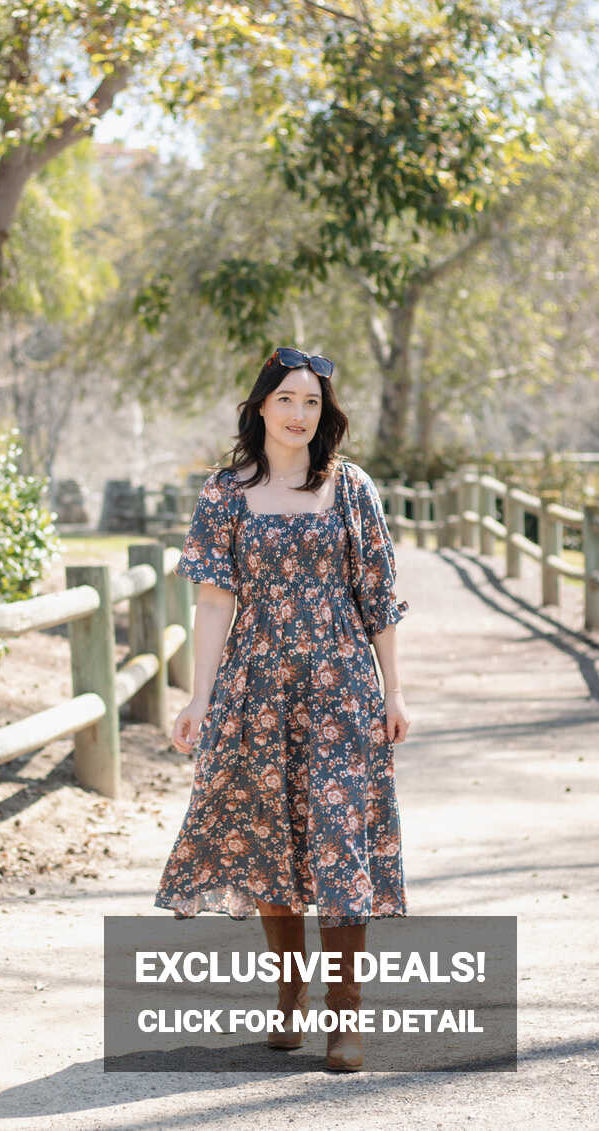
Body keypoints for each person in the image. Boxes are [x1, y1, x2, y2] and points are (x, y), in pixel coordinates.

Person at [154, 346, 410, 1071]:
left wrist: (395, 689)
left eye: (312, 403)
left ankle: (347, 1015)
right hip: (256, 685)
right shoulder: (225, 492)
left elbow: (378, 596)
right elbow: (212, 601)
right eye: (287, 400)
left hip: (341, 688)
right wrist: (198, 697)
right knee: (271, 842)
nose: (300, 414)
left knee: (337, 840)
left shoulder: (352, 488)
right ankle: (290, 994)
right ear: (260, 406)